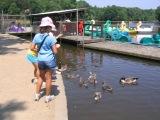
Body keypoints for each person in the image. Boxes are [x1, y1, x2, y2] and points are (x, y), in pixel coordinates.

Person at [30, 17, 60, 103]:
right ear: (48, 27)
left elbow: (32, 48)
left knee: (40, 78)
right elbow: (55, 51)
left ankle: (37, 95)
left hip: (40, 60)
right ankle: (47, 97)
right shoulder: (51, 38)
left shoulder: (36, 36)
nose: (51, 28)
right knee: (48, 79)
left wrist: (39, 50)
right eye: (50, 27)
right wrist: (57, 47)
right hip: (49, 60)